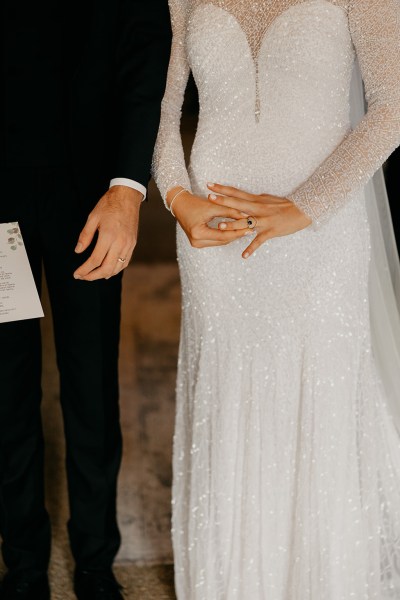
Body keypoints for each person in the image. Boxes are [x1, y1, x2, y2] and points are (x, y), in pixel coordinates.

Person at [152, 0, 400, 597]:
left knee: (321, 390)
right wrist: (176, 198)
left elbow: (391, 107)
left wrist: (307, 206)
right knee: (232, 389)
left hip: (321, 223)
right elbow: (159, 110)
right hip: (214, 228)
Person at [0, 1, 171, 599]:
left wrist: (128, 186)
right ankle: (22, 566)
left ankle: (96, 563)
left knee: (91, 389)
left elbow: (145, 47)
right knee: (6, 393)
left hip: (90, 199)